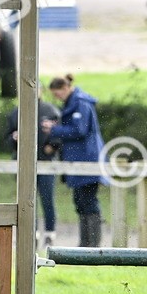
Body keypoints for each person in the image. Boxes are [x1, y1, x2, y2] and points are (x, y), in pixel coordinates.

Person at [43, 75, 106, 247]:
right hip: (79, 160)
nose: (57, 98)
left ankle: (92, 245)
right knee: (80, 201)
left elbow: (80, 130)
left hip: (87, 159)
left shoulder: (81, 103)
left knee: (88, 201)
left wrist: (55, 130)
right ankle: (86, 244)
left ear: (65, 88)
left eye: (57, 94)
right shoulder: (74, 103)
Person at [7, 84, 62, 249]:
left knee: (47, 199)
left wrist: (52, 147)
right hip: (23, 163)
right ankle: (32, 233)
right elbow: (6, 138)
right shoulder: (16, 113)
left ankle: (50, 233)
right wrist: (14, 139)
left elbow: (59, 134)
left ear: (40, 91)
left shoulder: (50, 110)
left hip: (45, 162)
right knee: (26, 200)